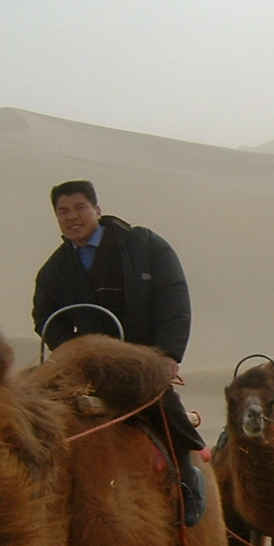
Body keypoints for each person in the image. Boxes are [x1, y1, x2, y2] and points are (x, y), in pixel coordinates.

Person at [32, 179, 206, 525]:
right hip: (89, 368)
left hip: (144, 359)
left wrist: (169, 354)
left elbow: (173, 297)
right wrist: (71, 351)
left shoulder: (142, 245)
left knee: (166, 414)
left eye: (80, 207)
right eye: (63, 211)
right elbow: (45, 317)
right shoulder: (55, 270)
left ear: (97, 209)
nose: (72, 217)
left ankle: (188, 480)